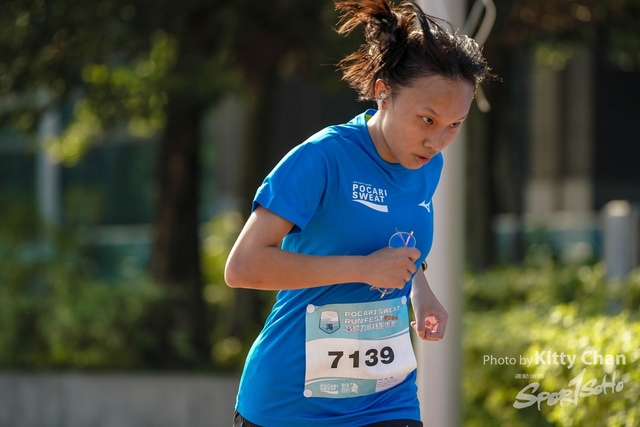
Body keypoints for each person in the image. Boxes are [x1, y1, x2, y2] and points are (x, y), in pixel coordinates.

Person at [225, 0, 494, 425]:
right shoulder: (321, 158)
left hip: (387, 399)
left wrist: (420, 289)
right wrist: (362, 269)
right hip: (290, 404)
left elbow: (393, 238)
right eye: (427, 120)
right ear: (384, 92)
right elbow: (242, 267)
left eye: (454, 125)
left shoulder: (427, 165)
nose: (437, 141)